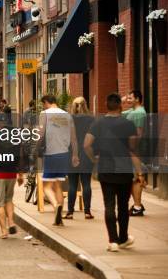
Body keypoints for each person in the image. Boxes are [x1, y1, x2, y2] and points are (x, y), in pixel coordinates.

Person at [84, 93, 145, 251]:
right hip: (124, 169)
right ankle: (123, 238)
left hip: (105, 168)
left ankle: (113, 241)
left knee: (109, 204)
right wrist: (140, 173)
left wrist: (93, 159)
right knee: (123, 206)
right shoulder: (128, 124)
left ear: (106, 106)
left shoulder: (98, 123)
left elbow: (86, 144)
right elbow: (132, 148)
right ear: (120, 106)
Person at [38, 94, 79, 226]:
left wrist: (36, 148)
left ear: (46, 102)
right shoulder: (67, 115)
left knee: (46, 187)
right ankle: (59, 216)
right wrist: (75, 155)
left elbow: (41, 133)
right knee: (58, 185)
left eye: (43, 104)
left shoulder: (45, 114)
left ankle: (56, 206)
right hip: (64, 154)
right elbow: (73, 137)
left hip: (51, 153)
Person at [0, 113, 24, 239]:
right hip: (12, 172)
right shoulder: (15, 136)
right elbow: (21, 154)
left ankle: (3, 231)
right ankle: (11, 222)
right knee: (9, 199)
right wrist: (20, 173)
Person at [65, 97, 95, 220]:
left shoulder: (69, 119)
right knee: (86, 183)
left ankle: (70, 212)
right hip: (87, 153)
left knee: (72, 184)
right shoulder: (91, 119)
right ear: (85, 105)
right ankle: (87, 212)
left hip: (72, 153)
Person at [123, 90, 147, 217]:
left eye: (130, 98)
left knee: (137, 178)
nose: (128, 99)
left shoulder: (138, 113)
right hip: (131, 150)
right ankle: (138, 204)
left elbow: (138, 134)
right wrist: (122, 100)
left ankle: (137, 206)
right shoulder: (133, 111)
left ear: (137, 99)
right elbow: (116, 113)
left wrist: (132, 149)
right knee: (134, 177)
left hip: (134, 150)